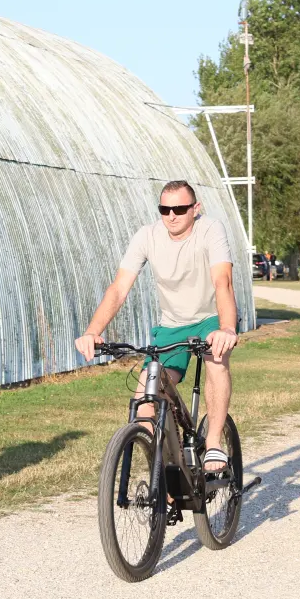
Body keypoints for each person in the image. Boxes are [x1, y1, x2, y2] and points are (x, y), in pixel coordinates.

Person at [74, 180, 238, 471]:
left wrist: (226, 328)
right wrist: (92, 331)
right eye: (165, 209)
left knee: (216, 359)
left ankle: (213, 443)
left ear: (195, 208)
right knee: (145, 401)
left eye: (179, 208)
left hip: (210, 319)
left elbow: (222, 281)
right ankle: (165, 474)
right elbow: (119, 289)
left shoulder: (210, 229)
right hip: (172, 324)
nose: (171, 215)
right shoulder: (147, 236)